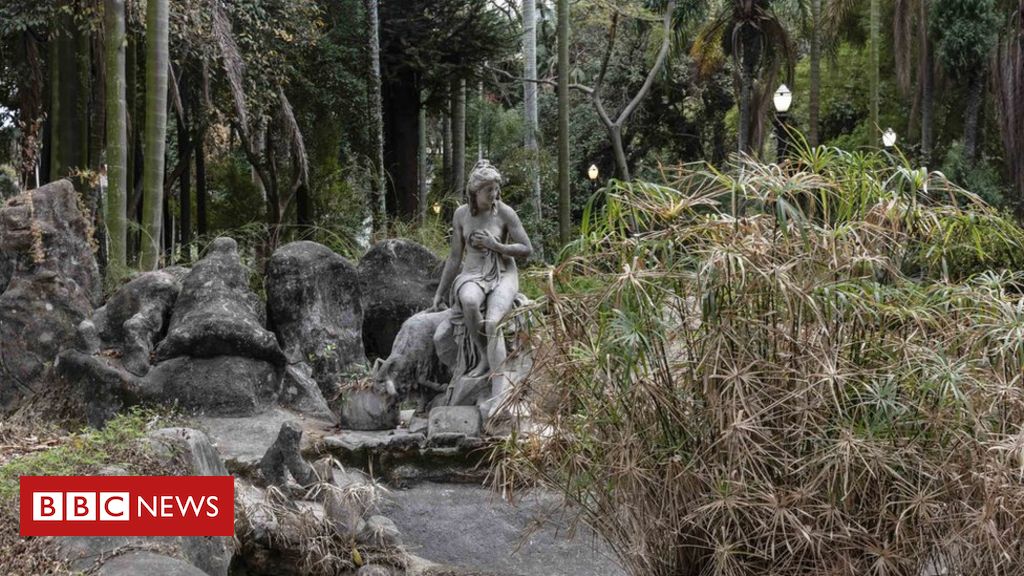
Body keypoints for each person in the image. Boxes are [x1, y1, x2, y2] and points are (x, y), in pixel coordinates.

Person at [431, 160, 532, 405]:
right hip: (473, 273)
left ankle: (499, 392)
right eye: (489, 190)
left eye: (496, 189)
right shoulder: (461, 215)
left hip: (503, 272)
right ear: (475, 192)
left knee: (493, 322)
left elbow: (527, 249)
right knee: (468, 300)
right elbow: (455, 258)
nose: (494, 195)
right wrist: (440, 293)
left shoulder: (505, 212)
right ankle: (485, 357)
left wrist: (497, 246)